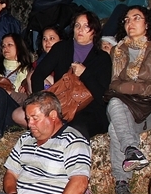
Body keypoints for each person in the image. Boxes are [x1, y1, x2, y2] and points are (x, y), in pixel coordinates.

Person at [107, 6, 151, 194]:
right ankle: (130, 156)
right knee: (115, 106)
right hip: (125, 105)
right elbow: (113, 84)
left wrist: (132, 87)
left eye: (136, 18)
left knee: (115, 123)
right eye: (126, 20)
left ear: (147, 23)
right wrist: (133, 87)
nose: (130, 23)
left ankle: (122, 178)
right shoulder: (117, 51)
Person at [31, 10, 112, 139]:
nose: (80, 29)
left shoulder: (102, 58)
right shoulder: (61, 48)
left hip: (88, 108)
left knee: (75, 128)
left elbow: (102, 96)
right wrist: (42, 103)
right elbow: (38, 74)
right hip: (61, 104)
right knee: (20, 115)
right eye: (77, 25)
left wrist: (84, 74)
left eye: (86, 26)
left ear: (95, 31)